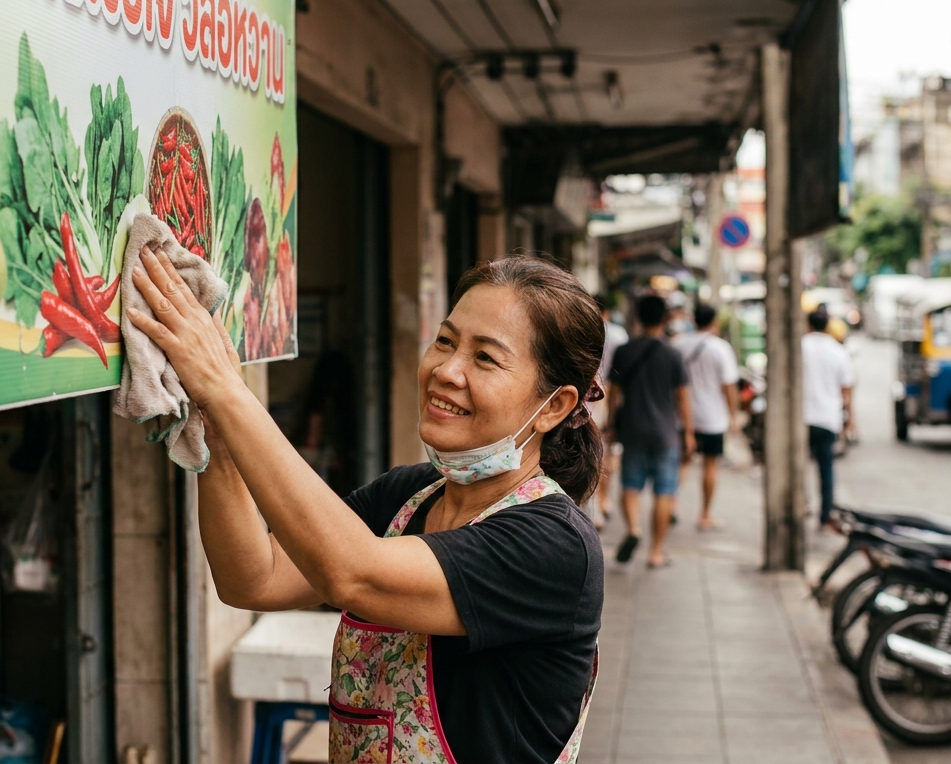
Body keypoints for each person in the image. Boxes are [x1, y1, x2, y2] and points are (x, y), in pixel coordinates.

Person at [126, 254, 604, 762]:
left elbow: (351, 574)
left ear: (553, 405)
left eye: (485, 358)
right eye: (445, 341)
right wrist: (217, 439)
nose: (446, 370)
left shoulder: (555, 546)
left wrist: (225, 388)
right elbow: (254, 579)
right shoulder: (406, 495)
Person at [608, 294, 694, 568]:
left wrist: (611, 424)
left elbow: (613, 393)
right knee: (664, 492)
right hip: (665, 433)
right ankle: (656, 552)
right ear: (665, 319)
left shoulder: (625, 351)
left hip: (632, 430)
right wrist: (689, 432)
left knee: (631, 486)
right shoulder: (673, 353)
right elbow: (682, 398)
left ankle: (634, 528)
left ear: (637, 318)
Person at [670, 303, 739, 530]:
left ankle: (670, 505)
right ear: (715, 322)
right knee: (710, 465)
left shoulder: (677, 343)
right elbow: (729, 387)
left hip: (682, 415)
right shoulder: (720, 348)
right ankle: (705, 514)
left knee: (682, 461)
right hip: (712, 418)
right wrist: (734, 416)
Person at [803, 307, 854, 527]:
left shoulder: (799, 347)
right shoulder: (838, 351)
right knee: (826, 469)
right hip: (827, 418)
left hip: (802, 418)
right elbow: (847, 391)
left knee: (799, 466)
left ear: (808, 324)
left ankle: (801, 505)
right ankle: (825, 515)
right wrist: (849, 419)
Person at [590, 296, 629, 528]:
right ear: (609, 311)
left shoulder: (578, 328)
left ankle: (595, 505)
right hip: (607, 398)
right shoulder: (618, 335)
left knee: (589, 451)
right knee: (606, 452)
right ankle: (603, 501)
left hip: (584, 396)